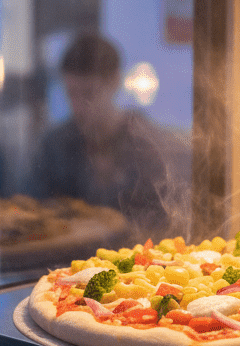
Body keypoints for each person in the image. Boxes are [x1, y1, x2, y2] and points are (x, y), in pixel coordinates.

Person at [28, 33, 170, 239]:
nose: (78, 106)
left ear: (115, 82)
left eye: (88, 94)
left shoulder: (148, 146)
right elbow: (33, 213)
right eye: (71, 94)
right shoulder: (53, 146)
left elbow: (163, 224)